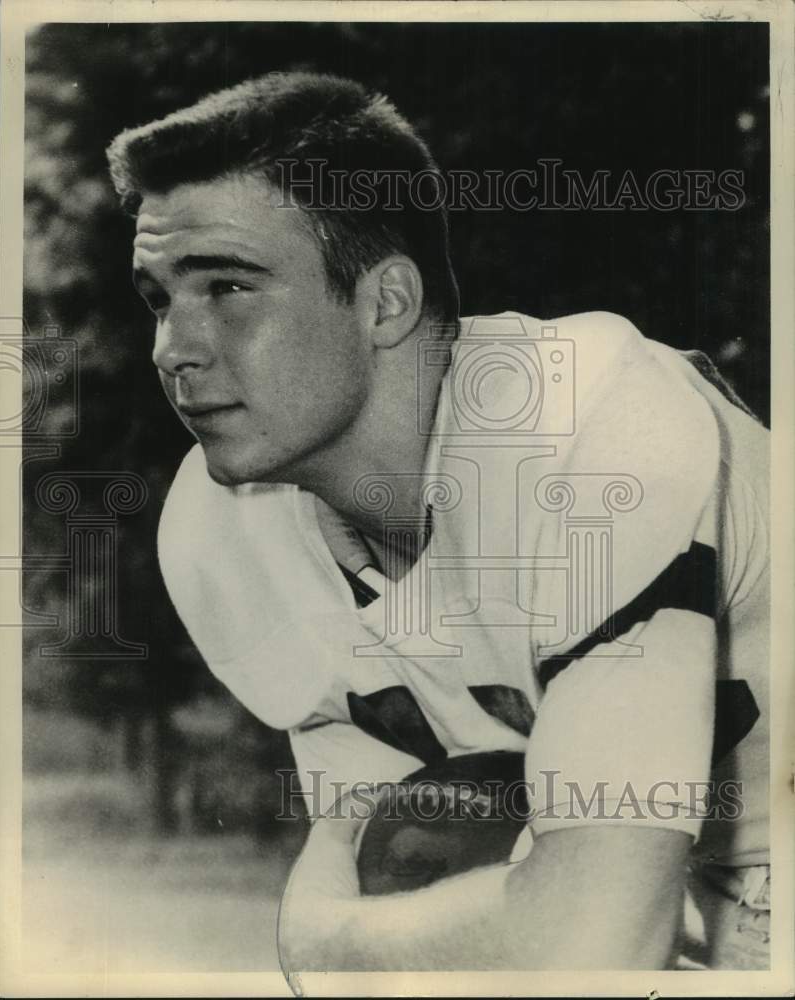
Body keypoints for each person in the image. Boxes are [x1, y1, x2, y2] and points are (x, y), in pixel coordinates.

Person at [107, 72, 770, 974]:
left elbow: (587, 949)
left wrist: (329, 950)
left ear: (386, 302)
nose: (174, 350)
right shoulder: (218, 521)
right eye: (158, 299)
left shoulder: (585, 424)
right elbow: (387, 863)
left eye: (227, 286)